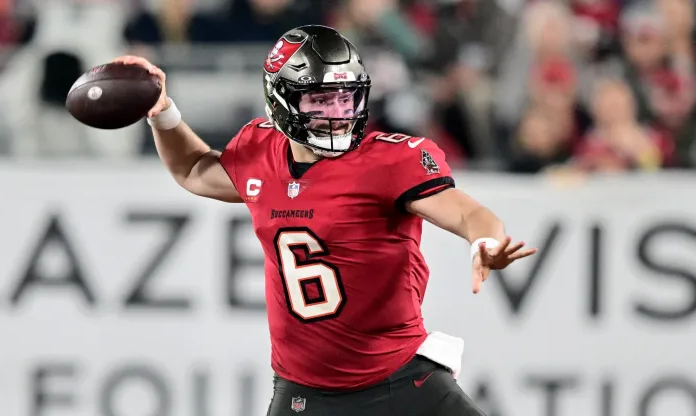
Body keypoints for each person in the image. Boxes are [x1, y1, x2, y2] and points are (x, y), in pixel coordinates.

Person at [113, 25, 536, 416]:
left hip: (403, 381)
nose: (336, 112)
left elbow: (466, 211)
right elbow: (193, 170)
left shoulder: (388, 160)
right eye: (319, 99)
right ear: (280, 99)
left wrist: (485, 241)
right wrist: (162, 111)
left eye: (344, 97)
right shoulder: (261, 151)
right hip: (304, 394)